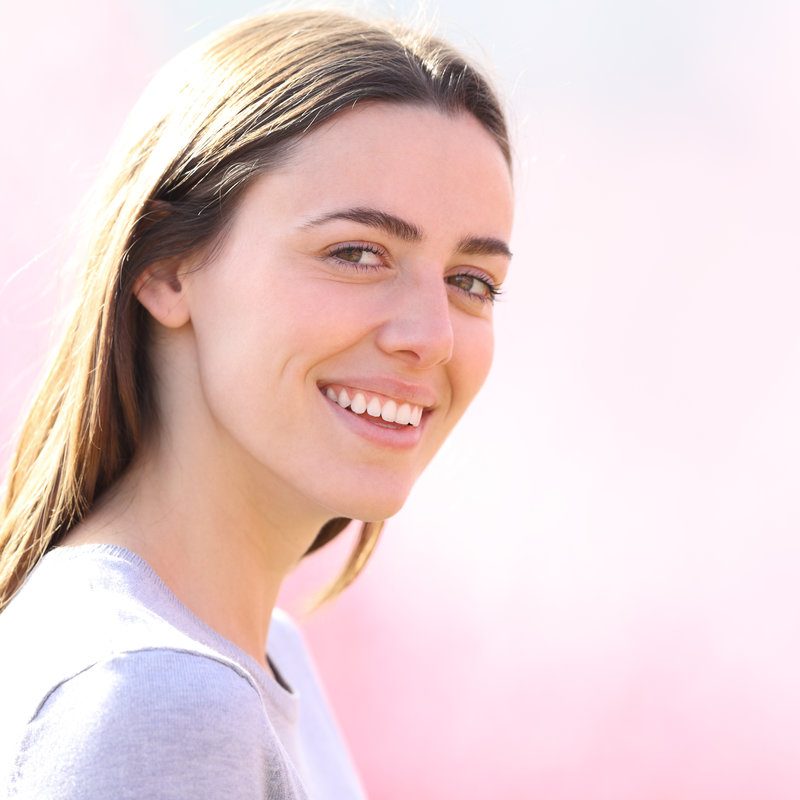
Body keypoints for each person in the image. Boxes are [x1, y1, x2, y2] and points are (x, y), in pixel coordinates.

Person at [0, 6, 514, 798]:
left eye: (471, 281)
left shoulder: (254, 654)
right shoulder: (159, 695)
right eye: (356, 253)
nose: (433, 335)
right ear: (166, 270)